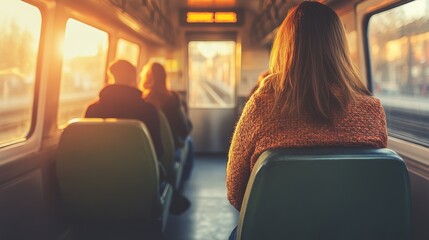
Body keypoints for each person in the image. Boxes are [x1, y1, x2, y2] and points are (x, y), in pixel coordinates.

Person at [226, 2, 387, 239]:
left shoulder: (262, 106)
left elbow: (235, 191)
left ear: (284, 48)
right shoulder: (372, 111)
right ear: (340, 47)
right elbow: (375, 187)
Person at [85, 59, 163, 160]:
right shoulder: (149, 111)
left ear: (110, 78)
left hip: (100, 170)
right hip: (138, 171)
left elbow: (87, 148)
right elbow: (158, 151)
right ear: (134, 80)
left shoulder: (92, 110)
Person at [140, 62, 193, 180]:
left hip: (147, 149)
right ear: (164, 78)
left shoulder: (142, 101)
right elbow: (185, 130)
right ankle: (180, 182)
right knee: (189, 141)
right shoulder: (173, 99)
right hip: (170, 149)